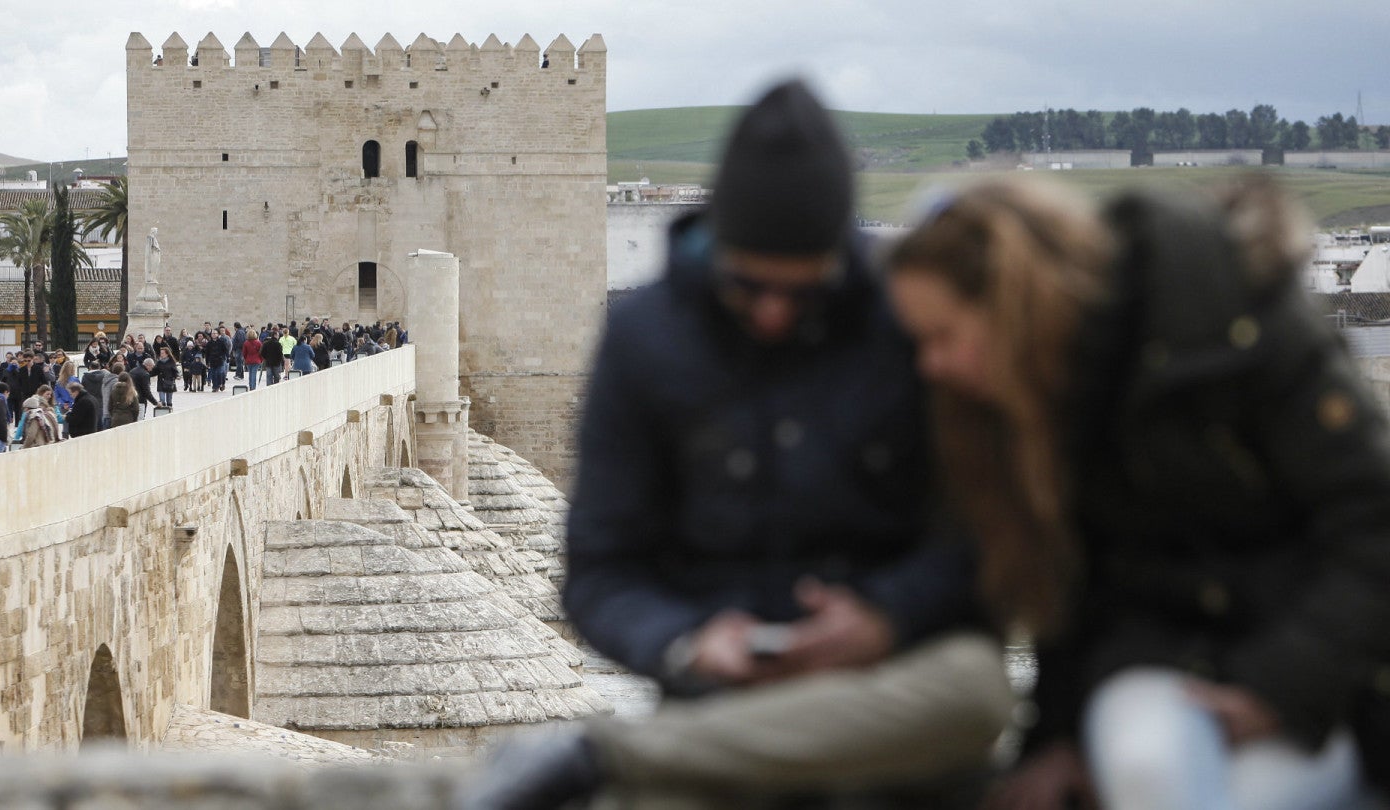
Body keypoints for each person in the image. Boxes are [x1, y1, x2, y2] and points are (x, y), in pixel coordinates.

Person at [461, 81, 1010, 810]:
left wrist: (884, 615)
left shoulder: (907, 326)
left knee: (972, 685)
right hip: (721, 700)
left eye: (803, 293)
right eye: (751, 289)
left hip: (883, 698)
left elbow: (989, 537)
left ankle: (605, 756)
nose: (777, 314)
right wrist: (689, 643)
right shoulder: (644, 341)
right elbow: (599, 571)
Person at [883, 176, 1390, 808]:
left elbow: (1372, 520)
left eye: (942, 337)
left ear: (1013, 306)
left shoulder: (1240, 316)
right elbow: (1074, 589)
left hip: (1318, 672)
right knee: (1152, 770)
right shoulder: (1038, 397)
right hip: (1155, 669)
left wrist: (1276, 688)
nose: (930, 366)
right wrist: (1056, 739)